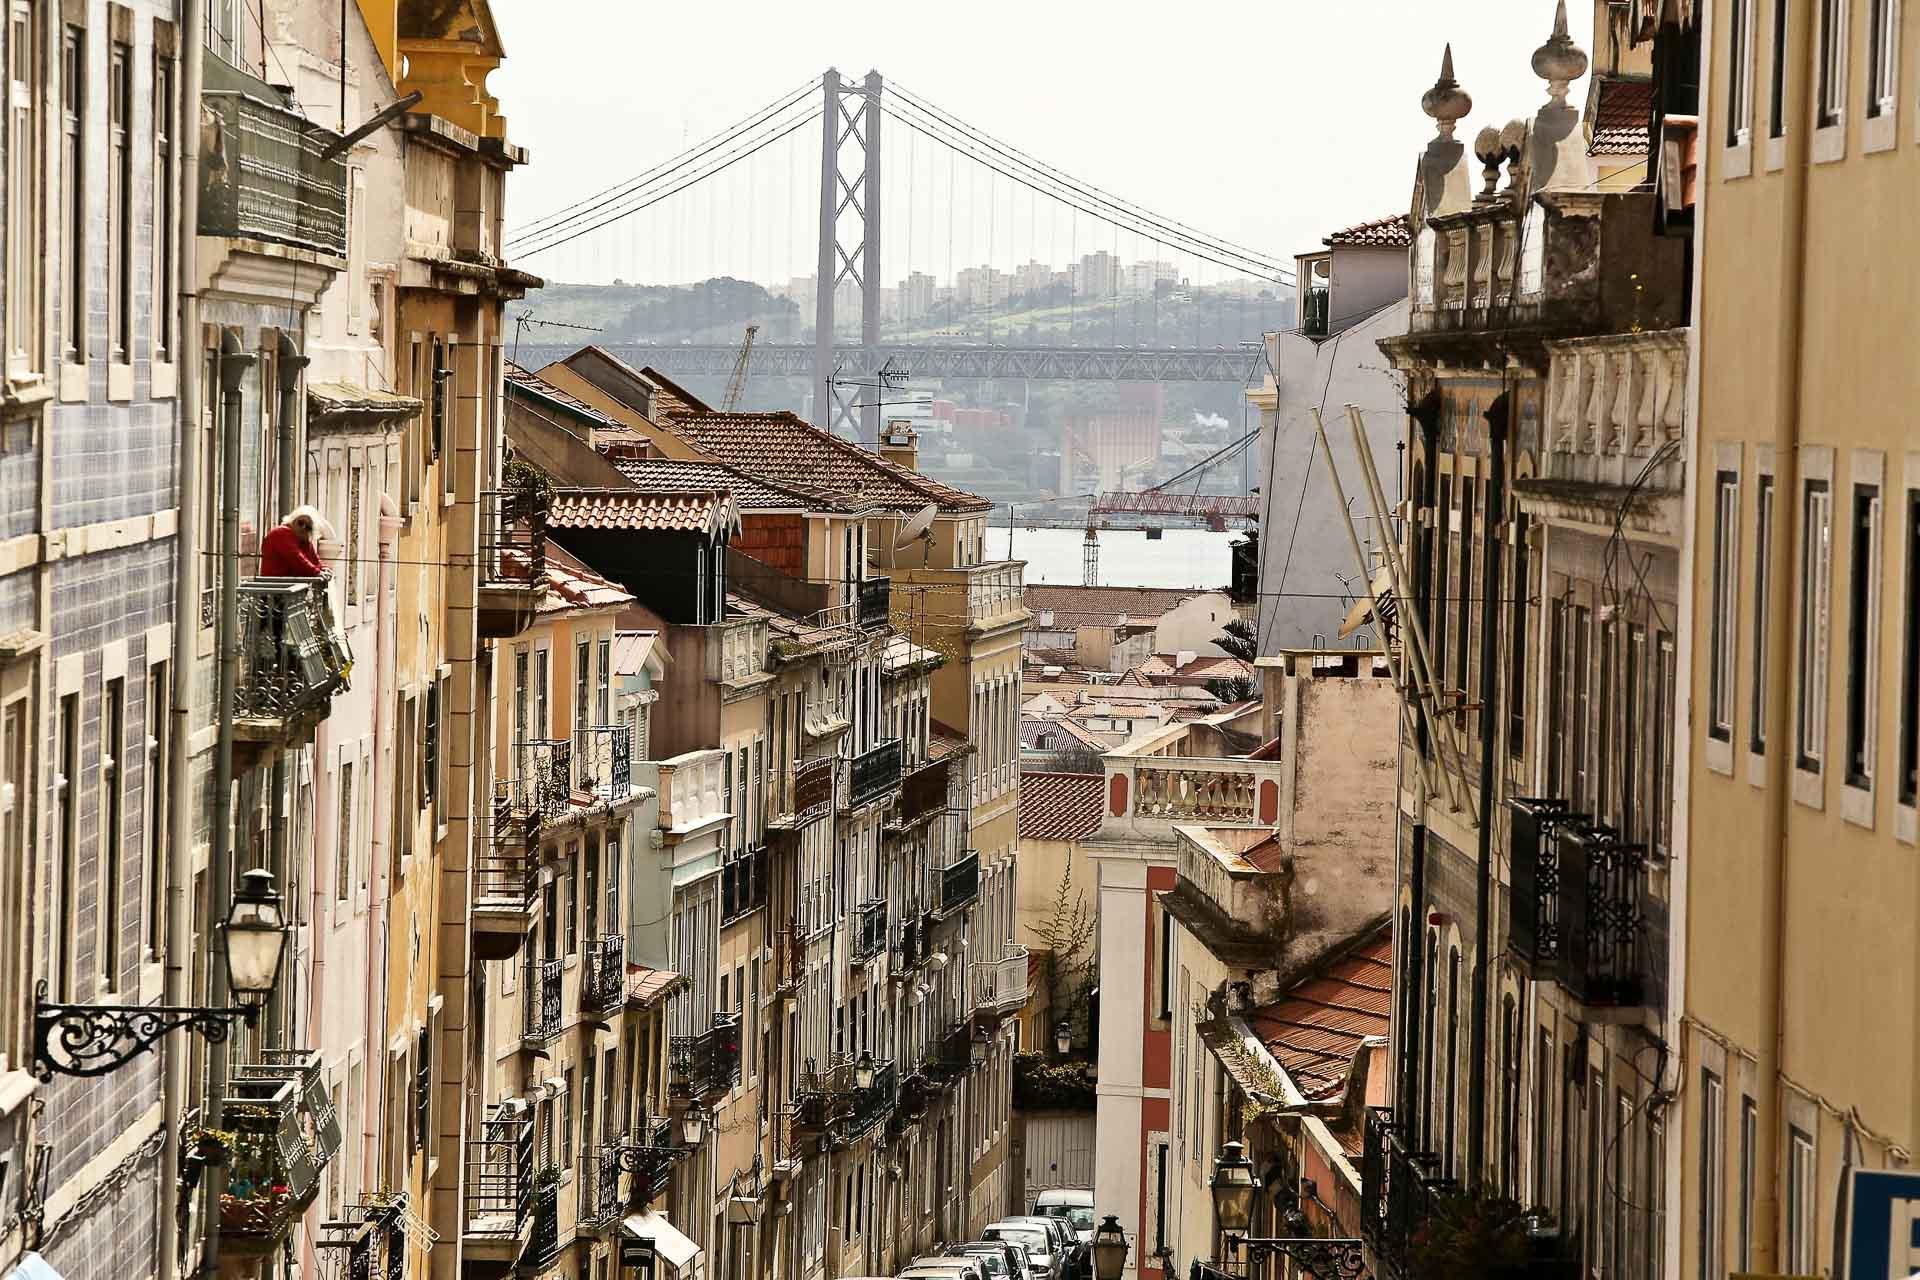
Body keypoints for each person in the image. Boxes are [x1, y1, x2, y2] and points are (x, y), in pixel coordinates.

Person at [260, 506, 328, 578]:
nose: (303, 528)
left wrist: (321, 568)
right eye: (301, 523)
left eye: (308, 527)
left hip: (287, 582)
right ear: (293, 520)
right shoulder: (281, 533)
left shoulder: (300, 538)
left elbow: (314, 559)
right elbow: (297, 558)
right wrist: (316, 572)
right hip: (274, 583)